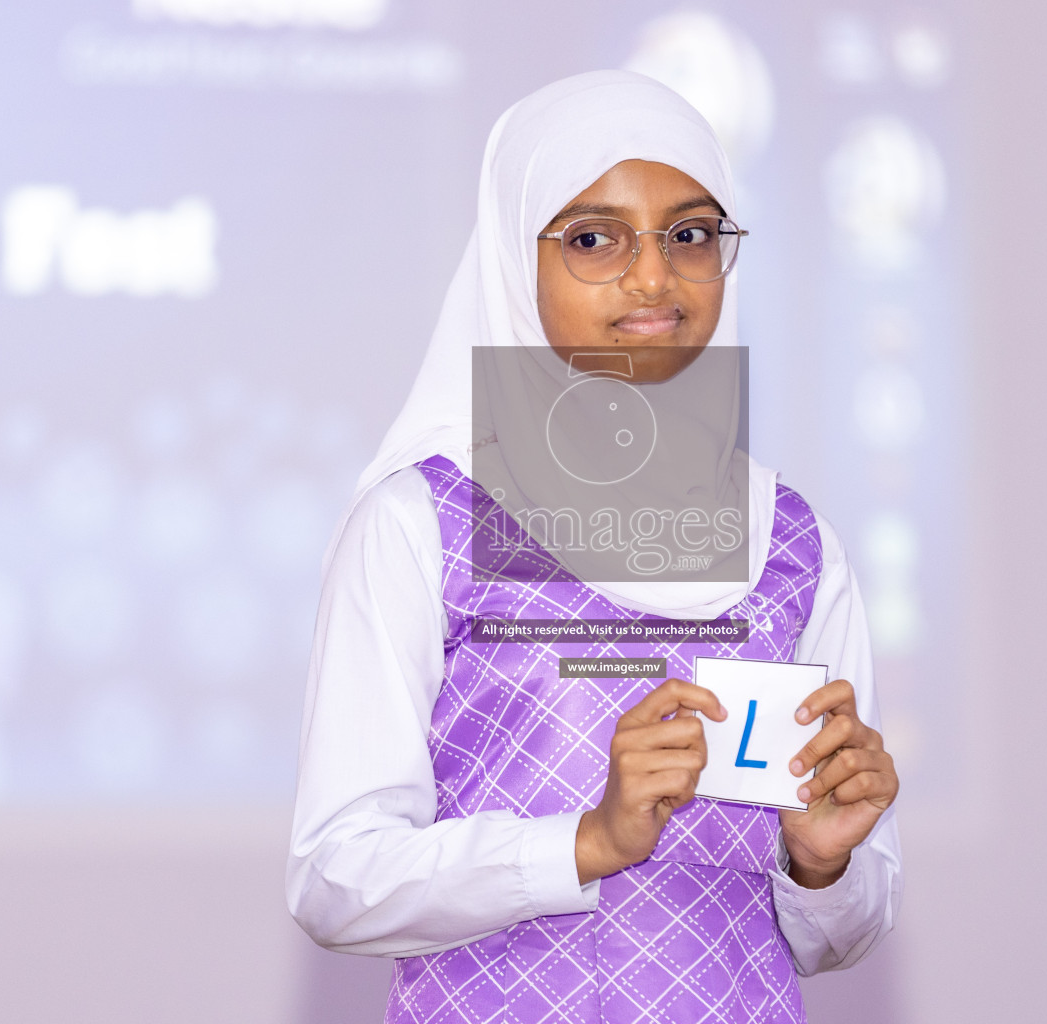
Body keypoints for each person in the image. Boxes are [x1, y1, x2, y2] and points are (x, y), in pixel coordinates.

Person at [287, 70, 903, 1024]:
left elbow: (836, 937)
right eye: (593, 238)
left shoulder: (790, 547)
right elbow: (335, 875)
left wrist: (821, 864)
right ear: (512, 257)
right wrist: (586, 840)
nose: (653, 276)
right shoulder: (424, 525)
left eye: (691, 234)